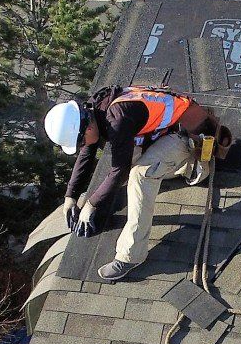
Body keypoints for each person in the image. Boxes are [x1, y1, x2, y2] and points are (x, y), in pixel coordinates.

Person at [44, 86, 228, 283]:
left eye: (80, 142)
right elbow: (87, 154)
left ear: (87, 128)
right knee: (126, 160)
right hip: (164, 131)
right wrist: (70, 197)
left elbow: (119, 171)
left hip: (188, 132)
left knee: (140, 175)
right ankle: (174, 164)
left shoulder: (117, 118)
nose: (82, 146)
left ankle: (131, 256)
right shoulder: (94, 111)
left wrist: (91, 204)